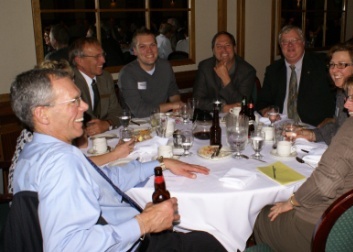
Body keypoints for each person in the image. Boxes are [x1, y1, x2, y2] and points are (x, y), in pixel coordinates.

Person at [9, 68, 226, 251]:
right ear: (42, 114)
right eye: (74, 101)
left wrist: (161, 163)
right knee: (209, 241)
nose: (84, 107)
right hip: (130, 244)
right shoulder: (61, 163)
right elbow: (65, 246)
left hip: (122, 232)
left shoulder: (32, 153)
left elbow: (107, 179)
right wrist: (144, 223)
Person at [253, 65, 353, 251]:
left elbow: (324, 185)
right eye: (348, 97)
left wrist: (291, 202)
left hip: (322, 231)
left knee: (262, 215)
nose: (347, 105)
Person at [7, 60, 133, 194]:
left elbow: (82, 148)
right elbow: (77, 164)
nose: (84, 106)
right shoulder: (39, 133)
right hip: (28, 203)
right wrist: (115, 154)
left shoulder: (55, 126)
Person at [256, 25, 335, 126]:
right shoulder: (273, 70)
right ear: (280, 46)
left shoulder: (322, 65)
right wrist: (266, 110)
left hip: (312, 127)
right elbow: (262, 101)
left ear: (303, 42)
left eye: (294, 40)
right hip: (281, 126)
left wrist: (331, 120)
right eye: (285, 42)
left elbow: (335, 99)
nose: (290, 45)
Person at [296, 43, 353, 144]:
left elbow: (349, 137)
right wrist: (313, 134)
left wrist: (315, 135)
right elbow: (338, 125)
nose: (334, 70)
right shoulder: (342, 93)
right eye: (332, 65)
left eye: (342, 64)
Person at [118, 28, 184, 118]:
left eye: (152, 45)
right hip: (137, 125)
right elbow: (139, 111)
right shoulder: (127, 73)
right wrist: (171, 106)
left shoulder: (165, 66)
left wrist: (177, 104)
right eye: (142, 47)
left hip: (162, 120)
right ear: (134, 51)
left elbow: (173, 91)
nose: (149, 50)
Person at [69, 37, 123, 136]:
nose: (103, 60)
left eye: (103, 55)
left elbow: (117, 111)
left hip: (105, 135)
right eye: (97, 56)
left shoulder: (105, 77)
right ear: (79, 61)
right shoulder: (70, 82)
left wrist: (107, 124)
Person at [193, 31, 256, 112]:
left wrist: (226, 79)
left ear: (234, 48)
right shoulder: (205, 67)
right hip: (211, 118)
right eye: (219, 46)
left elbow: (242, 103)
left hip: (237, 119)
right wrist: (221, 107)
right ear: (213, 50)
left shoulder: (247, 71)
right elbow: (197, 101)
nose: (224, 50)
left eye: (227, 45)